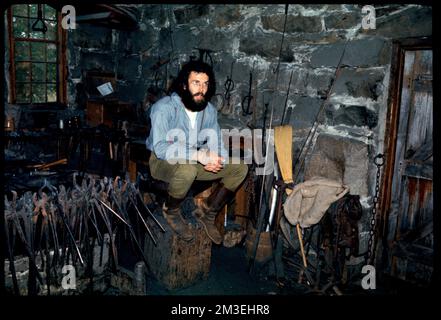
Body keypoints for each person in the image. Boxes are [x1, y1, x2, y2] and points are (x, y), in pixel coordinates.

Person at [145, 60, 248, 244]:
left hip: (194, 162)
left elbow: (216, 143)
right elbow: (160, 148)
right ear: (184, 85)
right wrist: (199, 155)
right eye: (196, 83)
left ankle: (207, 212)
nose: (202, 89)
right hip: (162, 162)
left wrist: (217, 159)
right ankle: (171, 210)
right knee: (188, 169)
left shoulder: (208, 111)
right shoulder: (164, 108)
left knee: (239, 168)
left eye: (205, 84)